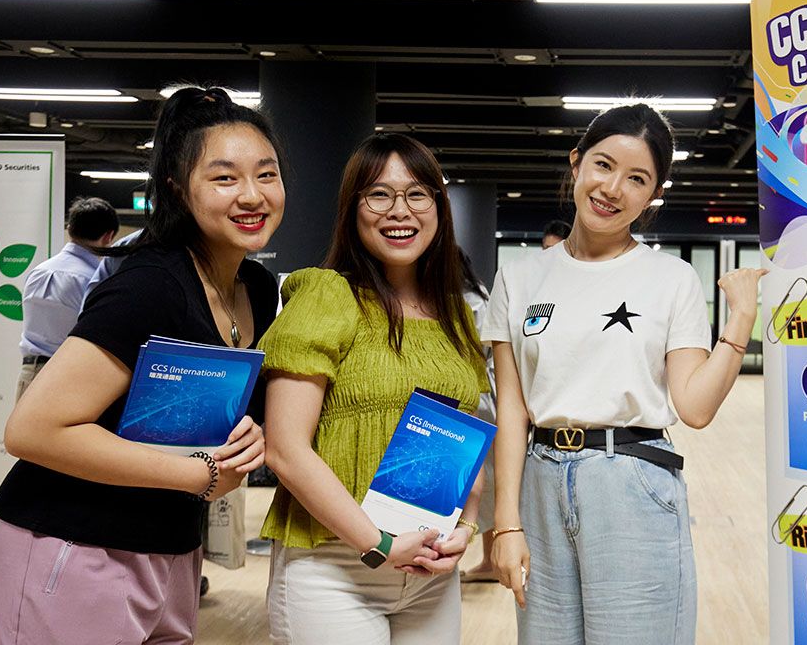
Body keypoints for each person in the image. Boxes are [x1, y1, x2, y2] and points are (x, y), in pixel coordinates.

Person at [0, 86, 283, 645]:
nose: (252, 195)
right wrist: (201, 473)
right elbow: (33, 429)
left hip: (168, 549)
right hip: (69, 545)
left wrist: (244, 436)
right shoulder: (150, 285)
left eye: (266, 174)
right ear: (176, 189)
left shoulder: (255, 288)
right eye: (224, 177)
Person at [483, 103, 766, 644]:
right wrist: (507, 522)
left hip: (631, 480)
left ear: (653, 194)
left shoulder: (670, 278)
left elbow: (696, 407)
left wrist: (741, 320)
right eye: (604, 165)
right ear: (576, 163)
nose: (613, 188)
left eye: (637, 179)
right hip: (539, 482)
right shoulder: (520, 276)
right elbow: (512, 411)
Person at [260, 133, 489, 645]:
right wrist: (378, 544)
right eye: (379, 194)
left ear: (438, 205)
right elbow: (286, 450)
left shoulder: (454, 314)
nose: (399, 211)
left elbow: (467, 442)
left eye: (417, 194)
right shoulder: (326, 294)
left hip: (430, 569)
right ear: (353, 207)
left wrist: (466, 531)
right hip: (335, 565)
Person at [16, 196, 119, 400]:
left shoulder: (38, 272)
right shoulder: (96, 281)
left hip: (29, 373)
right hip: (70, 380)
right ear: (108, 237)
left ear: (70, 228)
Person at [457, 248, 499, 584]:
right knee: (486, 483)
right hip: (483, 398)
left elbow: (480, 348)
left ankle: (489, 559)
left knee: (476, 483)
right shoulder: (479, 295)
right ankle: (488, 559)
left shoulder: (467, 299)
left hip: (475, 399)